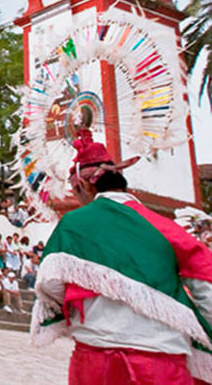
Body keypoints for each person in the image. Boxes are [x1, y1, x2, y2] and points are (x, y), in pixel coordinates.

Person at [32, 129, 212, 384]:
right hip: (163, 359)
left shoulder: (74, 223)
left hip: (97, 359)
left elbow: (49, 284)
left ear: (85, 185)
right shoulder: (166, 227)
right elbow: (206, 285)